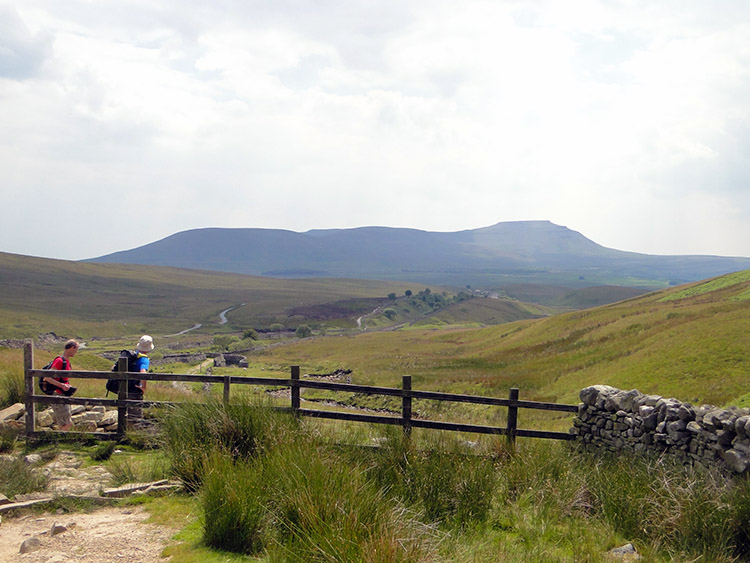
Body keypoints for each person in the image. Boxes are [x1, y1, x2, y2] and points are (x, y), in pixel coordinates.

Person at [42, 339, 79, 431]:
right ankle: (62, 441)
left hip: (63, 393)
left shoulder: (66, 361)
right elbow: (47, 377)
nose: (76, 352)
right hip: (58, 394)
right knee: (66, 423)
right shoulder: (59, 361)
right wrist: (61, 385)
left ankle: (62, 440)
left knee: (65, 421)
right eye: (76, 349)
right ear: (71, 348)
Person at [128, 335, 153, 422]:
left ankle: (124, 428)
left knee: (125, 408)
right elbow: (143, 372)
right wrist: (143, 387)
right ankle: (133, 430)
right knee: (135, 412)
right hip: (135, 387)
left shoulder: (132, 355)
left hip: (124, 386)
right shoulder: (144, 359)